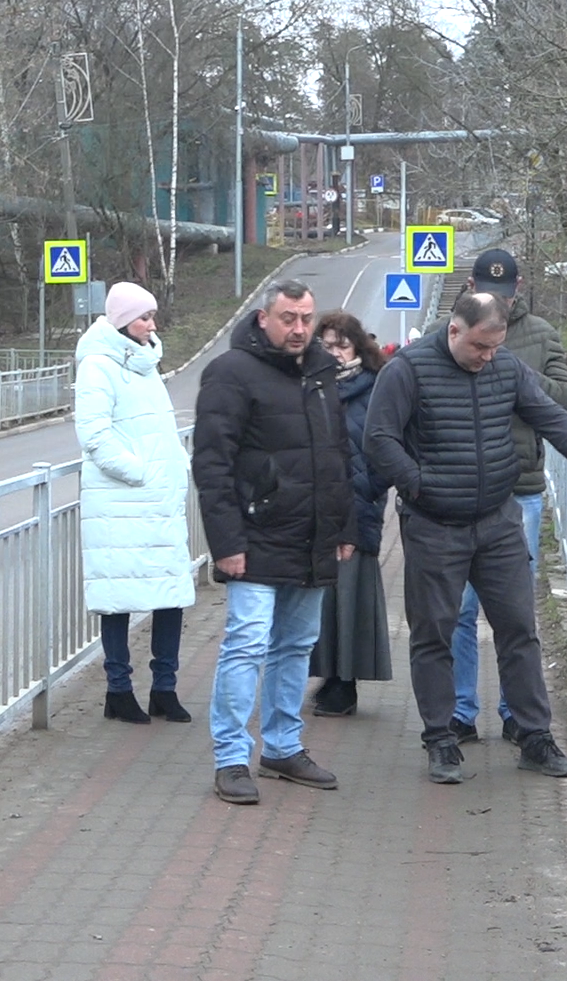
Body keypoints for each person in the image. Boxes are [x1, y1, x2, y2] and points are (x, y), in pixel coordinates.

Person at [364, 292, 567, 785]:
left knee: (519, 628)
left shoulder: (506, 368)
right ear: (454, 331)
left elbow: (550, 417)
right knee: (434, 634)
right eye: (479, 347)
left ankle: (535, 736)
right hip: (433, 526)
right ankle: (442, 741)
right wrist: (418, 483)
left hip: (497, 522)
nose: (486, 357)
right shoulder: (406, 370)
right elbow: (379, 439)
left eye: (494, 347)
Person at [193, 280, 356, 805]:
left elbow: (337, 455)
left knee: (296, 646)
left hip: (310, 536)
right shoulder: (230, 373)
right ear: (263, 318)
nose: (300, 329)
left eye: (307, 318)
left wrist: (343, 526)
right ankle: (231, 758)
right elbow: (212, 465)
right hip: (256, 535)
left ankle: (284, 746)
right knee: (247, 644)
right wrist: (225, 541)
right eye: (289, 318)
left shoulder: (321, 372)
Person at [447, 249, 567, 745]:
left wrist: (517, 375)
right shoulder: (455, 330)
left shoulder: (542, 334)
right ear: (470, 285)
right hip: (461, 489)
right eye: (487, 290)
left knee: (514, 612)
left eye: (504, 293)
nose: (497, 299)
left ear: (518, 288)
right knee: (459, 610)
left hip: (520, 487)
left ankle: (513, 712)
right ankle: (462, 711)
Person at [74, 282, 196, 726]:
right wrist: (140, 472)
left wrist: (171, 470)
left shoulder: (143, 365)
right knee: (118, 598)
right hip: (123, 500)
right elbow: (93, 434)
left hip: (156, 501)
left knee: (170, 596)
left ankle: (165, 688)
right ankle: (118, 691)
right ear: (125, 321)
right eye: (145, 317)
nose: (153, 324)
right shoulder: (99, 366)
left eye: (152, 316)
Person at [307, 312, 392, 716]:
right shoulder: (309, 387)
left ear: (358, 347)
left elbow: (385, 446)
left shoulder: (375, 388)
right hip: (314, 510)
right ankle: (327, 676)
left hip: (358, 507)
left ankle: (347, 685)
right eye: (327, 345)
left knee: (351, 596)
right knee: (320, 600)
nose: (335, 353)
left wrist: (370, 490)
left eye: (342, 345)